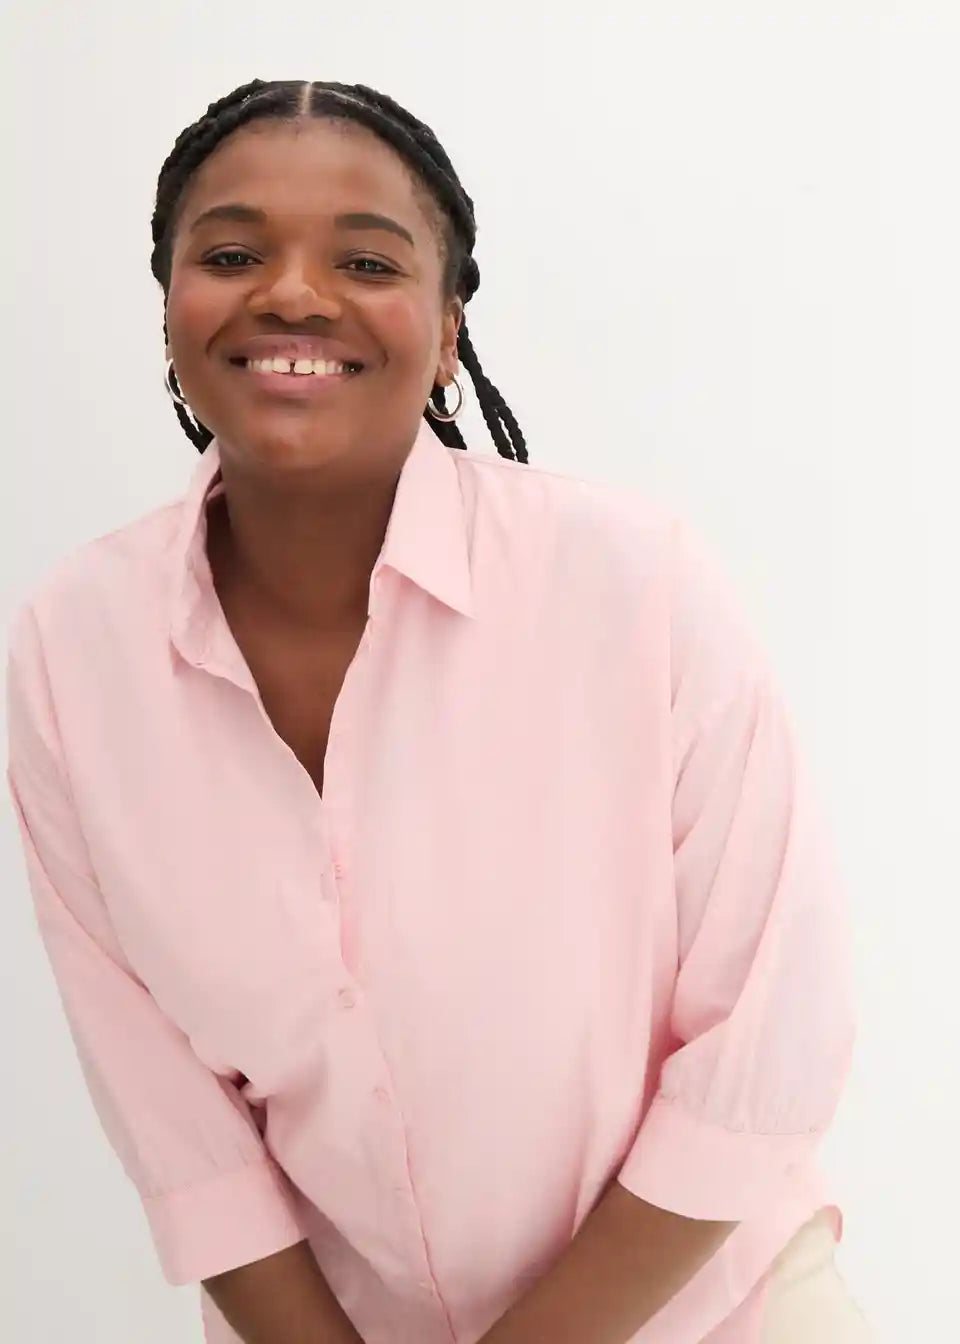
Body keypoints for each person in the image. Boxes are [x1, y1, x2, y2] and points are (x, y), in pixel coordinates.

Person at [4, 79, 871, 1344]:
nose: (293, 294)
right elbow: (175, 1122)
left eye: (365, 261)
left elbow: (768, 1045)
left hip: (705, 1313)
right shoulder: (72, 650)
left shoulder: (634, 586)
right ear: (170, 308)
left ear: (450, 326)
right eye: (232, 255)